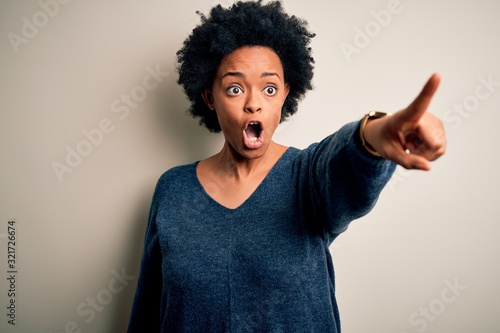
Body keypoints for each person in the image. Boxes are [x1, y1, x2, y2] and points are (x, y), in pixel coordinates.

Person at [127, 1, 446, 332]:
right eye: (235, 89)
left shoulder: (306, 177)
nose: (254, 103)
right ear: (210, 97)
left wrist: (377, 133)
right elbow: (148, 311)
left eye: (269, 89)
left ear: (285, 94)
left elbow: (343, 160)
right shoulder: (174, 190)